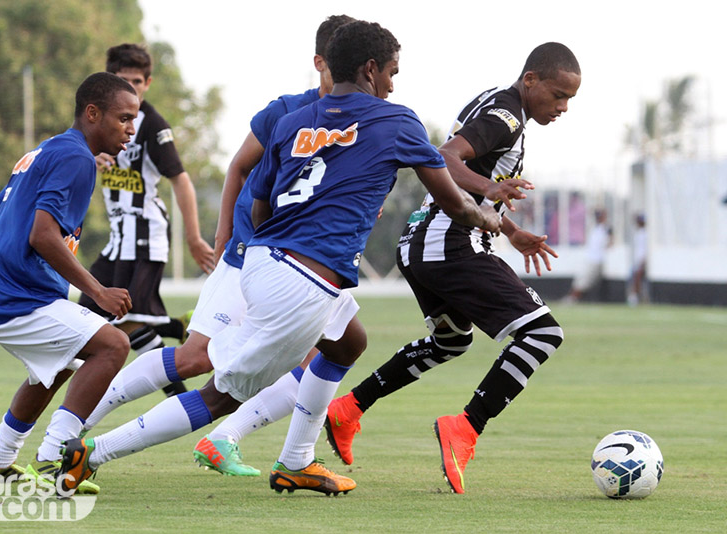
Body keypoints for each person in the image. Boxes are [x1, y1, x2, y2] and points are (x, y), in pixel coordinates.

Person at [57, 19, 501, 497]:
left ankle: (297, 460)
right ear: (371, 69)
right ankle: (91, 453)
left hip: (264, 260)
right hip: (302, 284)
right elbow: (452, 200)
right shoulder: (396, 120)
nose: (394, 83)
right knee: (219, 394)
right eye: (393, 71)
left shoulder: (294, 122)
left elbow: (260, 200)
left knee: (347, 341)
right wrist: (486, 218)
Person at [75, 16, 359, 479]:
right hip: (255, 254)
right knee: (196, 359)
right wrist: (223, 229)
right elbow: (238, 167)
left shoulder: (363, 122)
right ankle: (80, 424)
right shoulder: (288, 110)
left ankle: (273, 452)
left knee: (342, 344)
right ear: (320, 63)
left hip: (310, 266)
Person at [325, 42, 581, 494]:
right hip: (452, 244)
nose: (562, 107)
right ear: (531, 81)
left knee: (450, 341)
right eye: (558, 95)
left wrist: (510, 230)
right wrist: (491, 188)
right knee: (542, 333)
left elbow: (470, 187)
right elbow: (443, 157)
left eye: (569, 100)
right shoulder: (507, 115)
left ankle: (348, 408)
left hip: (424, 243)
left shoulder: (496, 104)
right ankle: (466, 426)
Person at [0, 72, 139, 495]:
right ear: (92, 113)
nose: (130, 129)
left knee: (57, 367)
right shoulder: (76, 158)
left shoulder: (43, 151)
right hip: (13, 294)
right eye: (124, 118)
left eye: (134, 120)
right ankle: (53, 462)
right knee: (114, 346)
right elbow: (41, 236)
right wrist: (98, 291)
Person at [78, 43, 215, 398]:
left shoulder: (152, 125)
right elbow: (76, 159)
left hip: (144, 234)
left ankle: (181, 402)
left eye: (137, 82)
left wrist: (194, 239)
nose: (132, 89)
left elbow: (181, 180)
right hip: (116, 238)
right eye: (123, 81)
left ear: (147, 83)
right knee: (84, 319)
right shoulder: (96, 121)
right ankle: (175, 326)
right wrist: (90, 160)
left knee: (129, 320)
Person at [565, 208, 613, 303]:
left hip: (597, 260)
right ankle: (572, 297)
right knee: (581, 279)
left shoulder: (606, 228)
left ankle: (573, 298)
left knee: (585, 281)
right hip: (590, 258)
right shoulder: (593, 227)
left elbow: (611, 242)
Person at [627, 213, 648, 305]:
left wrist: (643, 260)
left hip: (641, 260)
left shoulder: (645, 233)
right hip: (636, 260)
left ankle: (635, 297)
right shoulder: (638, 233)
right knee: (634, 279)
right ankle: (636, 296)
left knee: (637, 278)